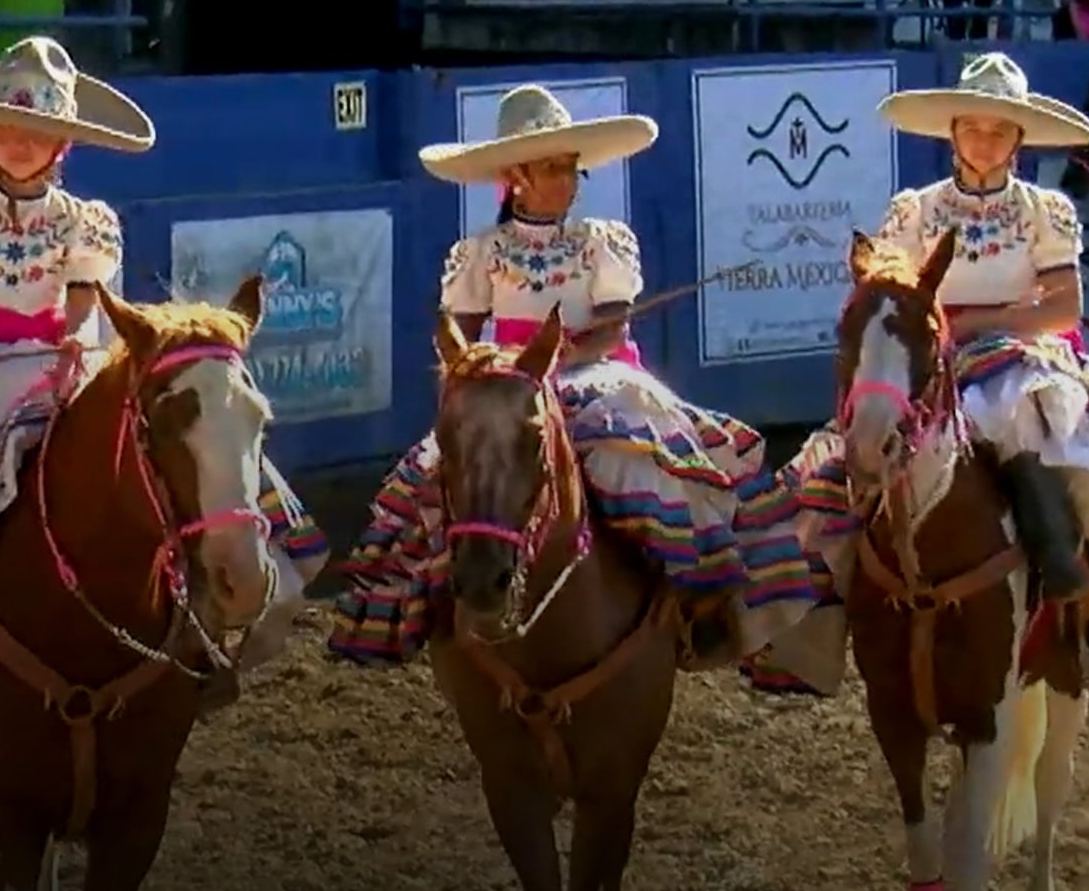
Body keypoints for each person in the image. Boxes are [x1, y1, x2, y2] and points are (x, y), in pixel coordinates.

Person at [0, 36, 329, 709]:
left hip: (55, 369)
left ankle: (209, 616)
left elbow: (83, 308)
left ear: (63, 143)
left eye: (39, 130)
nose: (21, 142)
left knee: (200, 451)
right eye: (8, 126)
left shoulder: (89, 222)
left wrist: (69, 343)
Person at [326, 84, 819, 669]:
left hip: (596, 378)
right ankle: (408, 610)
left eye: (570, 167)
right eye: (552, 167)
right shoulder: (480, 252)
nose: (568, 179)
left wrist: (557, 356)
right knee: (431, 474)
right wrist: (490, 377)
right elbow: (458, 344)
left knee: (642, 456)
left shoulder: (601, 244)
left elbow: (610, 331)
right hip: (510, 386)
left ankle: (698, 591)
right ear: (516, 176)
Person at [758, 52, 1089, 697]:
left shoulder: (1046, 210)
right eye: (973, 127)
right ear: (952, 132)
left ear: (1020, 139)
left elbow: (1062, 307)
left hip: (1025, 357)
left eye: (1000, 129)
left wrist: (976, 323)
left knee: (1085, 456)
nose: (985, 140)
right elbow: (893, 295)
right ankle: (816, 630)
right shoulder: (913, 210)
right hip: (932, 362)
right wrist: (939, 333)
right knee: (846, 464)